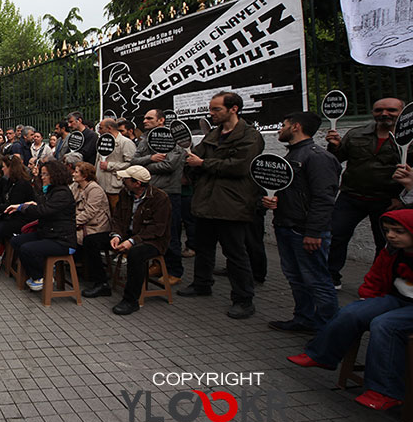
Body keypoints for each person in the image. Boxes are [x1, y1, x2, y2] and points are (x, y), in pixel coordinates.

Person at [287, 210, 413, 412]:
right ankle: (322, 356)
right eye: (388, 231)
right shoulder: (391, 251)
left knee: (384, 325)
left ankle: (385, 391)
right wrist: (367, 299)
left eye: (399, 232)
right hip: (396, 299)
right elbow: (376, 276)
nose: (391, 235)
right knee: (352, 312)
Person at [179, 91, 265, 319]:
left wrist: (203, 163)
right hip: (206, 201)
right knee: (203, 247)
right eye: (211, 109)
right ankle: (201, 283)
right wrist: (191, 162)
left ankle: (244, 299)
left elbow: (240, 166)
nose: (211, 113)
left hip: (231, 204)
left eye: (216, 109)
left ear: (233, 109)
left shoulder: (250, 135)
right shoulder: (213, 135)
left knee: (235, 252)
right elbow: (194, 158)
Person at [262, 112, 341, 333]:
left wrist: (314, 232)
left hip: (305, 231)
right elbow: (295, 193)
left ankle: (330, 331)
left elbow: (324, 199)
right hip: (287, 226)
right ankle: (304, 319)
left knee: (317, 280)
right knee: (296, 278)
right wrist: (272, 200)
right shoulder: (293, 155)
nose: (280, 129)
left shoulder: (317, 157)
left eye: (283, 125)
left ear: (296, 127)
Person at [326, 97, 409, 288]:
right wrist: (335, 146)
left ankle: (378, 281)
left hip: (387, 201)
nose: (384, 114)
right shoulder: (356, 134)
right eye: (378, 110)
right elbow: (336, 159)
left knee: (385, 243)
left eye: (391, 110)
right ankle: (331, 276)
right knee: (336, 236)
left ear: (402, 112)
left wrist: (400, 198)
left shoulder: (408, 139)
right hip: (351, 196)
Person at [90, 166, 171, 315]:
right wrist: (116, 235)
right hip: (128, 234)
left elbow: (157, 229)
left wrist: (132, 241)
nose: (122, 180)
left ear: (137, 183)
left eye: (126, 178)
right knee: (92, 240)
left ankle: (131, 300)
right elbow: (118, 219)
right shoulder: (125, 193)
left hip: (153, 240)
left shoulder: (160, 198)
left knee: (136, 254)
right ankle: (101, 283)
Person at [131, 109, 186, 286]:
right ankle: (157, 263)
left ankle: (174, 271)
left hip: (168, 192)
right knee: (151, 230)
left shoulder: (172, 138)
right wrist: (151, 157)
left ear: (161, 120)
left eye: (149, 118)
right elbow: (134, 160)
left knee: (170, 232)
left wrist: (145, 169)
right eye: (144, 118)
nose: (145, 121)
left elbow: (170, 164)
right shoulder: (145, 138)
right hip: (150, 192)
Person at [7, 160, 77, 292]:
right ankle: (36, 271)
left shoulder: (62, 194)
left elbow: (42, 210)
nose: (42, 177)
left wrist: (23, 208)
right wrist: (24, 206)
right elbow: (38, 204)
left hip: (61, 239)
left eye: (45, 174)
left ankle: (41, 276)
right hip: (48, 232)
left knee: (27, 248)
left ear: (54, 175)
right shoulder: (51, 190)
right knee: (16, 241)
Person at [72, 162, 113, 293]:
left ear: (84, 176)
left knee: (72, 236)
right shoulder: (76, 186)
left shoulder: (95, 190)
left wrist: (71, 223)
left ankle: (100, 280)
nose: (73, 173)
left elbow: (89, 213)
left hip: (95, 227)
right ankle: (75, 266)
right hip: (81, 224)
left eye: (76, 172)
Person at [95, 117, 137, 209]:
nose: (98, 131)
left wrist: (109, 166)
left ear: (109, 128)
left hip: (115, 187)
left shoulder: (126, 143)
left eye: (101, 128)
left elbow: (131, 164)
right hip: (101, 186)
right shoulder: (102, 141)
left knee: (116, 213)